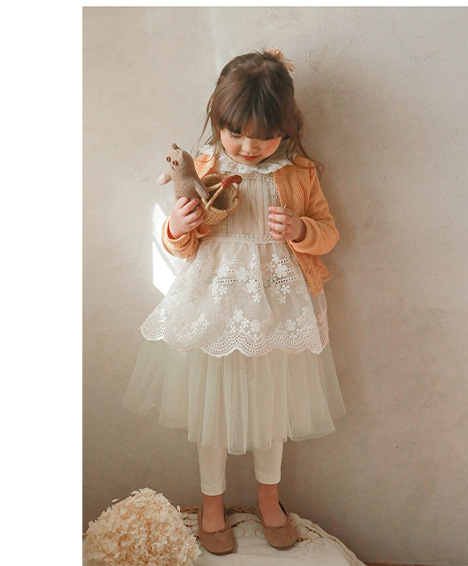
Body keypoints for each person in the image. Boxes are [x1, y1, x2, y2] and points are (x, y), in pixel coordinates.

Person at [122, 48, 345, 555]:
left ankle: (269, 499)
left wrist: (301, 229)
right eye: (236, 133)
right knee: (214, 412)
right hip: (216, 309)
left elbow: (328, 233)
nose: (247, 147)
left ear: (285, 130)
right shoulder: (205, 166)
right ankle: (212, 504)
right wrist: (176, 226)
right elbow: (184, 244)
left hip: (276, 310)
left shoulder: (298, 171)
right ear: (217, 121)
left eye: (263, 136)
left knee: (271, 406)